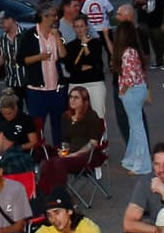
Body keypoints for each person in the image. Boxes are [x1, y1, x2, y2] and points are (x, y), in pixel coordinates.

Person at [21, 4, 68, 152]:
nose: (56, 18)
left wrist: (57, 38)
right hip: (37, 90)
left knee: (59, 125)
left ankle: (58, 152)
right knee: (37, 125)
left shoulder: (56, 33)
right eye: (53, 15)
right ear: (44, 17)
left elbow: (63, 55)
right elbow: (21, 59)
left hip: (56, 89)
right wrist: (39, 57)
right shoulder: (29, 35)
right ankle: (38, 154)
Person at [40, 86, 104, 195]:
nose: (72, 100)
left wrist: (75, 154)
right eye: (70, 97)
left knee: (59, 163)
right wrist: (64, 151)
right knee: (47, 164)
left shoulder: (91, 116)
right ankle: (47, 195)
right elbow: (65, 141)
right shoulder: (66, 117)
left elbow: (93, 143)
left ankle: (61, 196)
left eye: (76, 98)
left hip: (86, 155)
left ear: (85, 101)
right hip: (69, 154)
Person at [113, 18, 152, 175]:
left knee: (136, 128)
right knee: (135, 126)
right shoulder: (134, 51)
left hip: (132, 91)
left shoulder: (127, 52)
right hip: (138, 89)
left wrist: (122, 90)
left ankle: (141, 165)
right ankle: (132, 160)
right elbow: (140, 72)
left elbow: (128, 76)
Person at [62, 16, 107, 120]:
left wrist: (85, 45)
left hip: (95, 83)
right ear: (73, 28)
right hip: (76, 83)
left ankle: (100, 136)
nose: (79, 29)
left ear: (86, 27)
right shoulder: (70, 46)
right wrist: (81, 67)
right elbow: (69, 67)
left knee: (99, 115)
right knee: (76, 115)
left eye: (82, 26)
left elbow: (96, 63)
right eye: (76, 27)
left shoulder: (95, 43)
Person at [0, 13, 28, 103]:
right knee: (16, 112)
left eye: (3, 22)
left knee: (34, 113)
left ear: (11, 20)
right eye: (0, 22)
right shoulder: (2, 40)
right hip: (12, 83)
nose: (1, 24)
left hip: (28, 81)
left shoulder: (26, 35)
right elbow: (3, 59)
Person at [137, 0, 164, 69]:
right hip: (150, 23)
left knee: (162, 42)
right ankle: (159, 61)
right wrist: (145, 7)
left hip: (159, 22)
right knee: (154, 43)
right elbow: (150, 5)